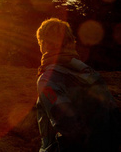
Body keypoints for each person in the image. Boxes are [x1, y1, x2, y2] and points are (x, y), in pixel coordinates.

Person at [36, 18, 120, 151]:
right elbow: (114, 118)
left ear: (45, 44)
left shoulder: (48, 80)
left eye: (40, 42)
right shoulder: (91, 75)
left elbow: (68, 125)